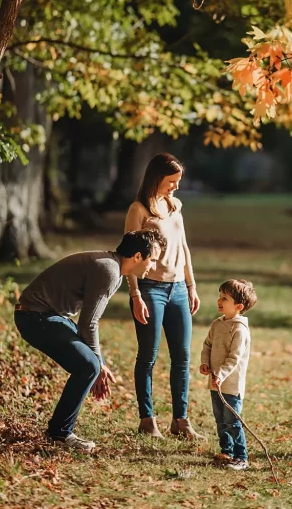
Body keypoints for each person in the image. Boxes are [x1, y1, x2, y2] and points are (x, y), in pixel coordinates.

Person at [14, 230, 165, 451]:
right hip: (35, 317)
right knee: (88, 365)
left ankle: (59, 431)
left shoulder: (112, 266)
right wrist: (99, 364)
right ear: (138, 257)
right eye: (152, 260)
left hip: (44, 315)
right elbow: (89, 323)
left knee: (90, 365)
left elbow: (87, 324)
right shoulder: (109, 271)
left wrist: (97, 363)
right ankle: (60, 433)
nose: (153, 266)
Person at [124, 153, 204, 440]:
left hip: (179, 288)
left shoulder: (175, 205)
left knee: (182, 357)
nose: (176, 187)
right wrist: (135, 295)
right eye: (172, 181)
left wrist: (192, 286)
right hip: (150, 289)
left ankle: (180, 421)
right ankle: (147, 420)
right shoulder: (139, 209)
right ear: (157, 178)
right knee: (148, 356)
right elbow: (129, 256)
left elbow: (183, 248)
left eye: (178, 181)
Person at [199, 279, 257, 471]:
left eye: (225, 298)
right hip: (215, 383)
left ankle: (241, 457)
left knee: (232, 420)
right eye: (220, 296)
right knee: (220, 419)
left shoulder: (239, 329)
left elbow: (234, 358)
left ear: (238, 306)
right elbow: (207, 345)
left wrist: (221, 374)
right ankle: (227, 452)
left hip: (231, 385)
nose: (219, 300)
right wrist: (205, 363)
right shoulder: (217, 324)